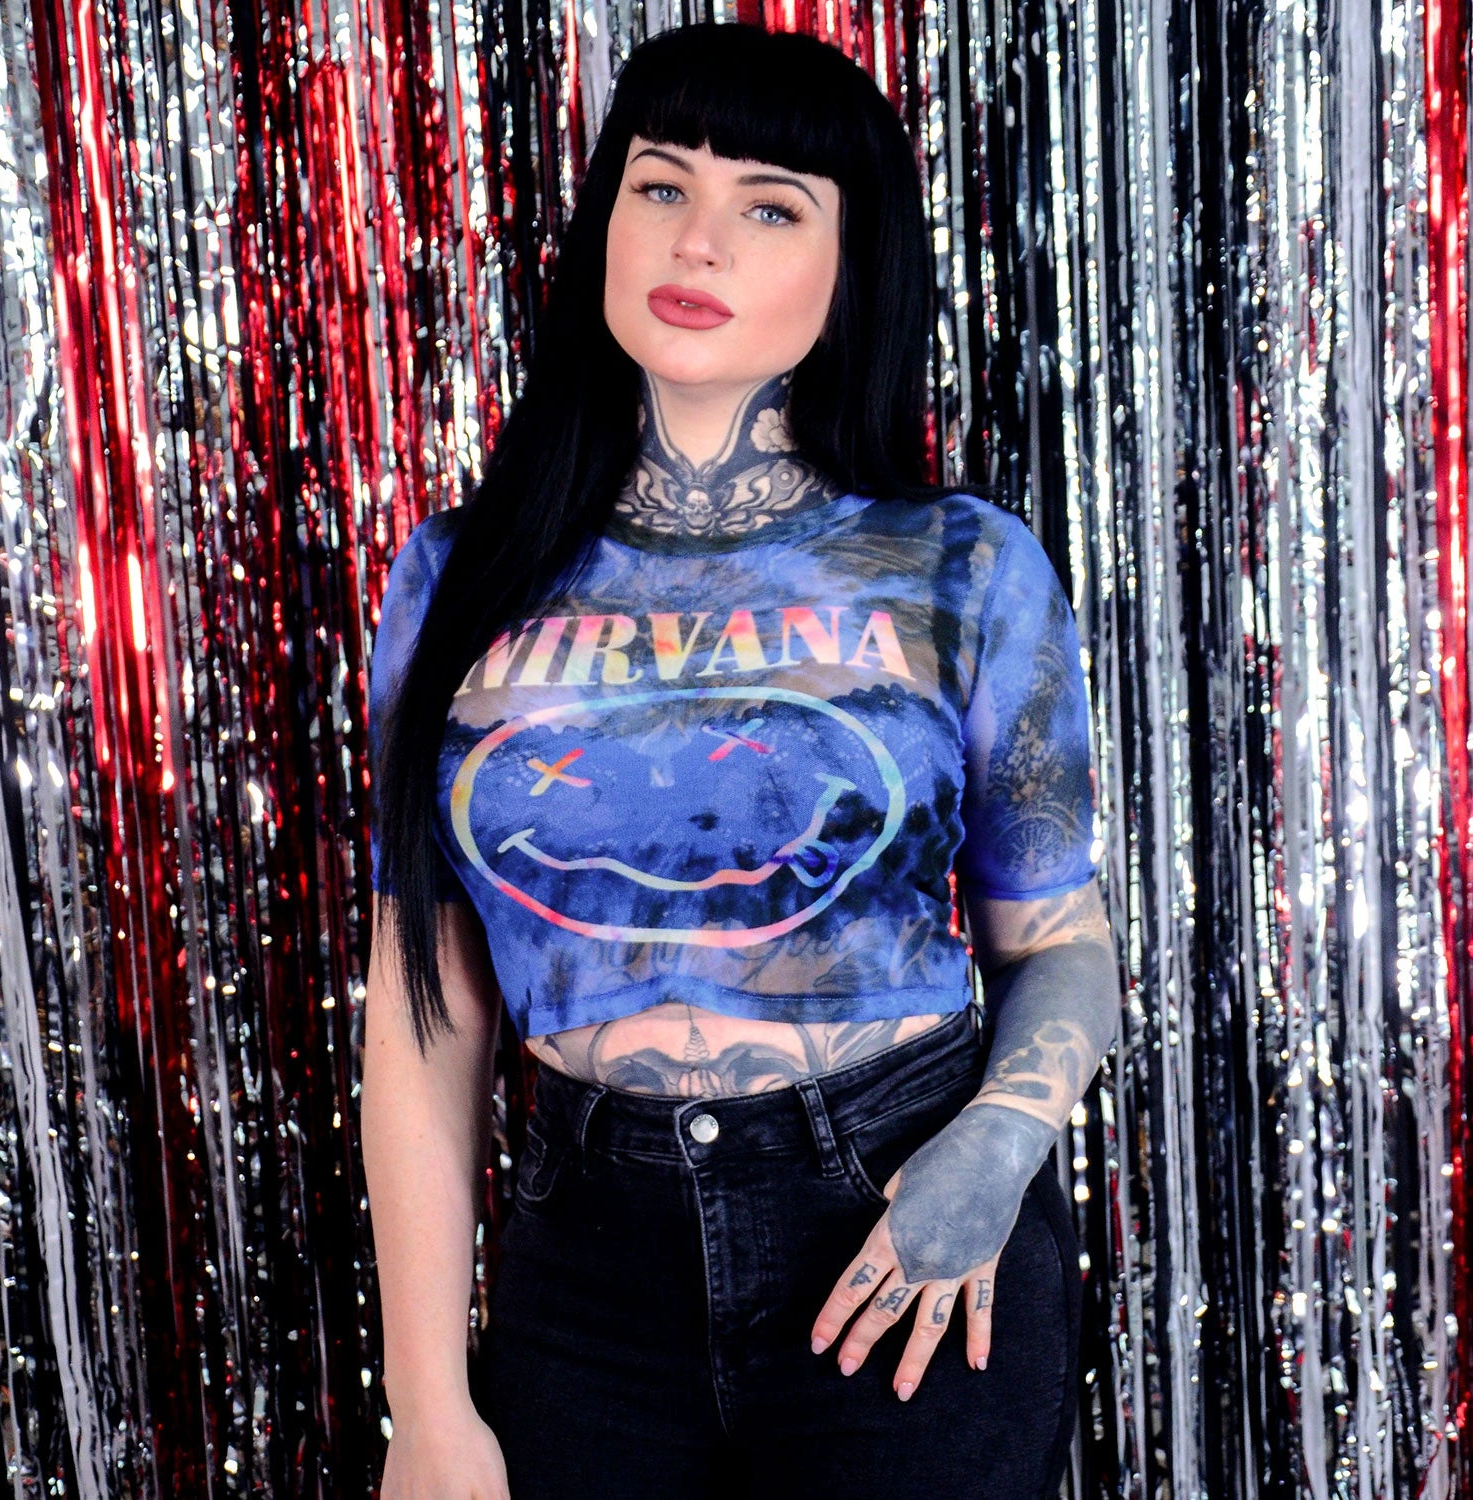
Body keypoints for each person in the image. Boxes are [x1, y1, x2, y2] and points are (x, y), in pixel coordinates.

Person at [362, 22, 1121, 1500]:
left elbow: (1060, 942)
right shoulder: (459, 577)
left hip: (897, 1234)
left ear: (851, 270)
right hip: (585, 1274)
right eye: (662, 186)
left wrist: (999, 1144)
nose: (697, 239)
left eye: (771, 208)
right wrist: (426, 1401)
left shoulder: (959, 566)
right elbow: (424, 1010)